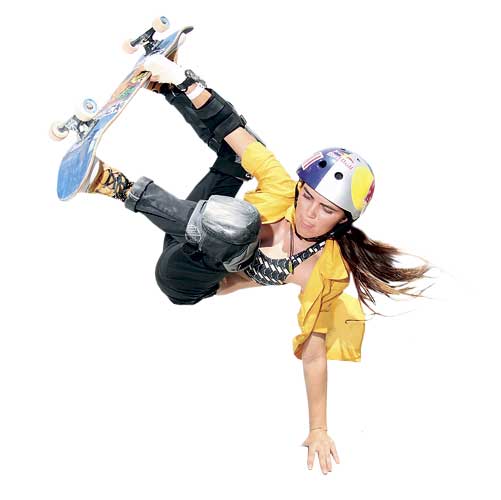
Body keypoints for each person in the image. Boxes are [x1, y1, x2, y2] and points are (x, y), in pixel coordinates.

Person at [84, 54, 433, 475]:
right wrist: (184, 83)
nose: (309, 214)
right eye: (308, 197)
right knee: (242, 156)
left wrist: (319, 428)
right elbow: (237, 135)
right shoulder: (284, 190)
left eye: (326, 210)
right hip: (187, 222)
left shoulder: (325, 271)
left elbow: (314, 353)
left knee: (239, 229)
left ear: (344, 220)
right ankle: (163, 87)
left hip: (185, 276)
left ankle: (112, 184)